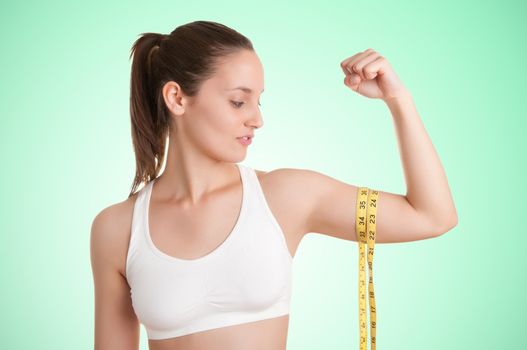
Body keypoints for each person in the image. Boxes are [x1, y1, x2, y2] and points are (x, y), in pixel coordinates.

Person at [90, 20, 458, 350]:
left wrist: (399, 101)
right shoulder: (117, 229)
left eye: (259, 101)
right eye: (238, 102)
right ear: (177, 98)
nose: (257, 119)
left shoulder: (285, 197)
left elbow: (431, 216)